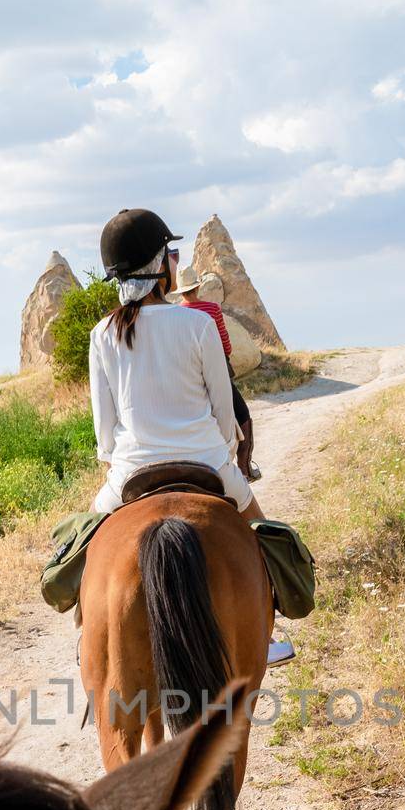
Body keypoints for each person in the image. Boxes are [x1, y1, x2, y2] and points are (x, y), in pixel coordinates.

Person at [88, 207, 293, 664]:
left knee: (79, 556)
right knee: (265, 543)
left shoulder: (102, 334)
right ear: (161, 263)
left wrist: (120, 460)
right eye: (172, 253)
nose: (176, 261)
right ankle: (269, 634)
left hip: (130, 474)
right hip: (208, 463)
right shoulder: (198, 324)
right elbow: (225, 416)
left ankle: (88, 644)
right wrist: (221, 449)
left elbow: (104, 434)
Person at [170, 265, 260, 480]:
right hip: (216, 370)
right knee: (243, 415)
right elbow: (225, 345)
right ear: (197, 287)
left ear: (181, 291)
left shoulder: (176, 313)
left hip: (187, 374)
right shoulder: (211, 309)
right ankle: (245, 468)